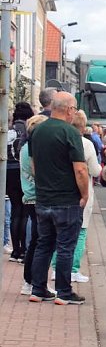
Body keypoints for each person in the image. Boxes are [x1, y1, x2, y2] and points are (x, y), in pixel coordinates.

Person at [28, 92, 89, 306]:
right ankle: (64, 291)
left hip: (43, 198)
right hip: (66, 199)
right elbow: (80, 169)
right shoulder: (70, 132)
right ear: (69, 110)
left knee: (43, 244)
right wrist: (84, 194)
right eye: (74, 109)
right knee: (65, 247)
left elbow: (34, 165)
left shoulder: (37, 130)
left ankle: (38, 289)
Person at [52, 110, 101, 283]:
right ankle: (72, 269)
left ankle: (55, 268)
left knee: (59, 232)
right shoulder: (86, 144)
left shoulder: (58, 140)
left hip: (60, 191)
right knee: (80, 231)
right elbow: (95, 170)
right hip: (81, 192)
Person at [18, 115, 49, 296]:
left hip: (30, 197)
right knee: (39, 242)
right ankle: (32, 280)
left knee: (37, 241)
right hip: (36, 196)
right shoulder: (32, 148)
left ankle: (30, 280)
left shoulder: (25, 147)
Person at [6, 102, 34, 263]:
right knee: (25, 211)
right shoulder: (27, 131)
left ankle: (15, 250)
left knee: (15, 210)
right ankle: (23, 249)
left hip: (8, 172)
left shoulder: (8, 131)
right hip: (22, 171)